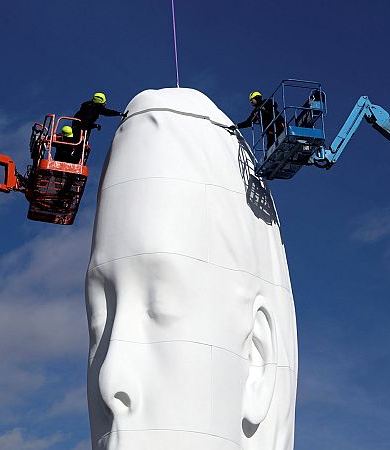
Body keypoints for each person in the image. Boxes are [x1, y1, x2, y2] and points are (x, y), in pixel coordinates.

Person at [85, 88, 297, 450]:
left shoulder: (267, 111)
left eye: (160, 309)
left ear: (255, 361)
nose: (109, 379)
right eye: (98, 323)